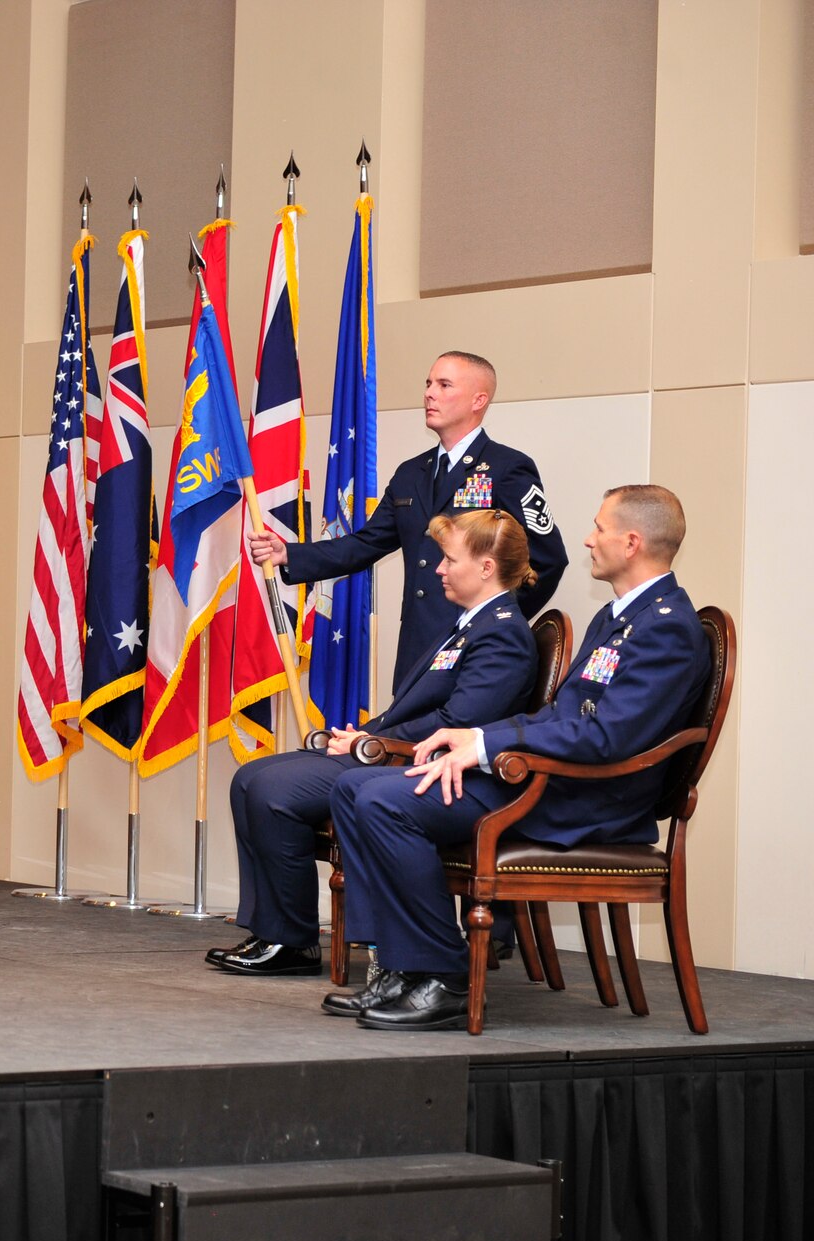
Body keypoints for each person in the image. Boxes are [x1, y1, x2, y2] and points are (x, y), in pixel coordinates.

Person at [329, 485, 709, 1031]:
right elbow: (561, 716)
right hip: (551, 778)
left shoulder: (667, 626)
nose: (587, 539)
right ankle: (400, 967)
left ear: (631, 542)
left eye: (599, 528)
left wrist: (487, 748)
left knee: (385, 801)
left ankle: (441, 975)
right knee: (354, 789)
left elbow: (608, 739)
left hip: (585, 796)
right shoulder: (621, 616)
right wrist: (472, 738)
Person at [212, 509, 543, 979]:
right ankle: (275, 930)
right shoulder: (471, 623)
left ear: (486, 567)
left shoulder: (503, 632)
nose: (440, 569)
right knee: (249, 778)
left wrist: (373, 742)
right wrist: (369, 736)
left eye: (449, 559)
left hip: (414, 764)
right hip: (391, 750)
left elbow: (459, 722)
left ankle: (289, 937)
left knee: (272, 793)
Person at [248, 351, 568, 685]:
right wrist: (290, 553)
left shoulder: (507, 467)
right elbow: (367, 543)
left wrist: (496, 619)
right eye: (429, 383)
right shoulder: (411, 472)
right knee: (405, 736)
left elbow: (548, 559)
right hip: (418, 647)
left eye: (444, 385)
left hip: (479, 651)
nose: (429, 393)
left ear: (479, 399)